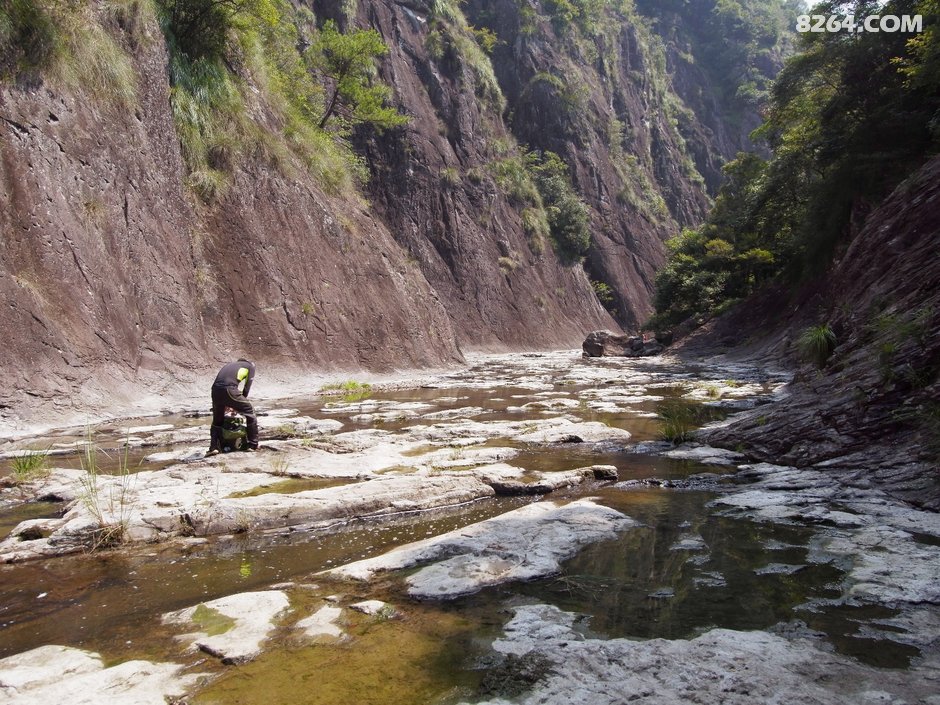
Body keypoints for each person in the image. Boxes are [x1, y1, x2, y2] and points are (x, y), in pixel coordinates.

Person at [207, 358, 258, 456]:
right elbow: (246, 388)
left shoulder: (230, 364)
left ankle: (213, 448)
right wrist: (237, 405)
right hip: (229, 389)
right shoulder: (250, 366)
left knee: (217, 420)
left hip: (215, 390)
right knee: (250, 412)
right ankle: (253, 445)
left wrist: (231, 404)